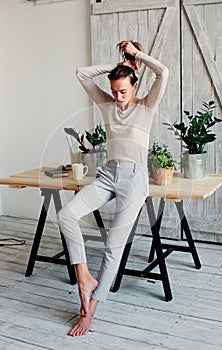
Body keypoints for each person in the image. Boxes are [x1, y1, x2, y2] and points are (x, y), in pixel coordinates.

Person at [58, 40, 169, 336]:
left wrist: (137, 57)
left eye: (124, 91)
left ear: (134, 85)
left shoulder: (146, 106)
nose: (118, 98)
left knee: (113, 248)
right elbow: (82, 73)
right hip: (108, 175)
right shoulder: (107, 103)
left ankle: (90, 311)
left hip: (134, 181)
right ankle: (84, 276)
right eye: (114, 91)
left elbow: (164, 73)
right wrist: (118, 67)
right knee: (66, 215)